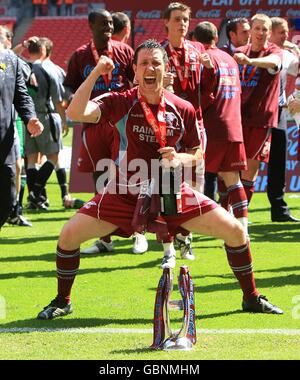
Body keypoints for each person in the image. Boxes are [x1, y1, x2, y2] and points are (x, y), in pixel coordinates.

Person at [36, 40, 283, 320]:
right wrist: (95, 74)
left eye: (156, 63)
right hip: (125, 192)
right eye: (144, 63)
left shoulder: (183, 107)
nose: (150, 68)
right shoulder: (120, 101)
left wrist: (181, 159)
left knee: (237, 233)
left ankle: (251, 298)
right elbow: (74, 113)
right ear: (135, 70)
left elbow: (197, 154)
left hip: (172, 193)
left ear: (166, 70)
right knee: (68, 236)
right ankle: (62, 300)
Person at [64, 8, 148, 255]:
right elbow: (69, 86)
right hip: (93, 123)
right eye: (103, 23)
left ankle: (139, 233)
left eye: (111, 23)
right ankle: (105, 239)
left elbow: (138, 82)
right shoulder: (80, 55)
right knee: (100, 177)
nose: (109, 28)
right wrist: (71, 102)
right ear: (91, 25)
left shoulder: (124, 51)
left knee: (133, 174)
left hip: (122, 122)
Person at [159, 2, 211, 268]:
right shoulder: (157, 52)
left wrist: (210, 69)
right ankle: (167, 245)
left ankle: (185, 237)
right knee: (166, 187)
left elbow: (209, 92)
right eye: (177, 19)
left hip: (194, 125)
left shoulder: (197, 50)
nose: (182, 24)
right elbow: (138, 86)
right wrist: (161, 86)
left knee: (194, 188)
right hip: (166, 125)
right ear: (166, 22)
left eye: (186, 19)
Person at [193, 21, 249, 235]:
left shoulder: (203, 59)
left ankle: (204, 225)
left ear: (195, 41)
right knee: (233, 180)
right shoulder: (230, 59)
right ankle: (242, 228)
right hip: (234, 124)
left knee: (201, 178)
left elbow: (205, 96)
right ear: (216, 38)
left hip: (212, 126)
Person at [233, 14, 282, 208]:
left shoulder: (274, 51)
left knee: (249, 169)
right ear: (250, 31)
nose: (260, 33)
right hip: (236, 119)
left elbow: (274, 63)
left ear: (269, 33)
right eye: (257, 28)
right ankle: (229, 211)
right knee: (229, 169)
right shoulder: (239, 52)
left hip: (260, 121)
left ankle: (240, 218)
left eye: (265, 29)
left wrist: (251, 62)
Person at [0, 33, 43, 229]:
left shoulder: (11, 60)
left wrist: (30, 117)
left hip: (4, 142)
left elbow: (22, 95)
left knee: (7, 198)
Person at [24, 38, 66, 210]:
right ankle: (35, 193)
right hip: (47, 116)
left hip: (28, 117)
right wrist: (63, 120)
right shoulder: (50, 69)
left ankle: (37, 200)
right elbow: (58, 99)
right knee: (53, 157)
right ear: (45, 50)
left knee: (32, 159)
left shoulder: (24, 66)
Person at [267, 17, 300, 222]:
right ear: (270, 33)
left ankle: (279, 209)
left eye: (287, 31)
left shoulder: (289, 55)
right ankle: (234, 210)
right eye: (281, 32)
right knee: (246, 164)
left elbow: (294, 75)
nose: (285, 35)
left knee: (278, 160)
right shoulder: (261, 53)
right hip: (256, 115)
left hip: (279, 113)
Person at [217, 17, 251, 209]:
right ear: (232, 35)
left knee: (236, 170)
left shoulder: (254, 53)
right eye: (244, 32)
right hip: (227, 119)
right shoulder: (222, 55)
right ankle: (225, 210)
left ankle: (235, 214)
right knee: (225, 169)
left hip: (247, 118)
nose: (249, 36)